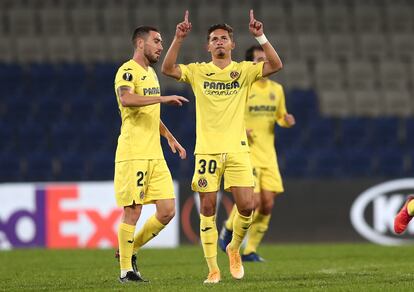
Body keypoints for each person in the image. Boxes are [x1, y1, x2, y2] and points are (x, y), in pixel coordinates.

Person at [161, 10, 283, 283]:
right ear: (208, 46)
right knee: (207, 208)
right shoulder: (197, 71)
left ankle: (233, 248)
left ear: (232, 44)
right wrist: (178, 38)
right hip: (207, 151)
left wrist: (260, 36)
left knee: (247, 206)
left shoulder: (243, 71)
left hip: (238, 149)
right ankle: (212, 268)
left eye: (224, 38)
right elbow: (167, 69)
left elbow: (276, 65)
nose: (219, 42)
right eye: (214, 39)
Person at [114, 26, 188, 283]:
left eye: (161, 41)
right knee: (132, 211)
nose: (160, 46)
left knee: (167, 210)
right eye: (156, 41)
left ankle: (130, 248)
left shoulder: (152, 74)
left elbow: (150, 113)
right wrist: (163, 99)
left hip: (154, 154)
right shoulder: (127, 70)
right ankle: (126, 271)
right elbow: (127, 99)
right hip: (134, 152)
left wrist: (169, 137)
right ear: (139, 43)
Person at [219, 45, 295, 262]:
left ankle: (250, 250)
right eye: (260, 59)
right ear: (252, 64)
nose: (264, 62)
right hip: (246, 152)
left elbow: (280, 116)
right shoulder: (242, 87)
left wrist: (286, 121)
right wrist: (242, 129)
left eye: (266, 59)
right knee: (252, 202)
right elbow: (228, 118)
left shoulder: (276, 90)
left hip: (268, 155)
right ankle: (227, 230)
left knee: (268, 204)